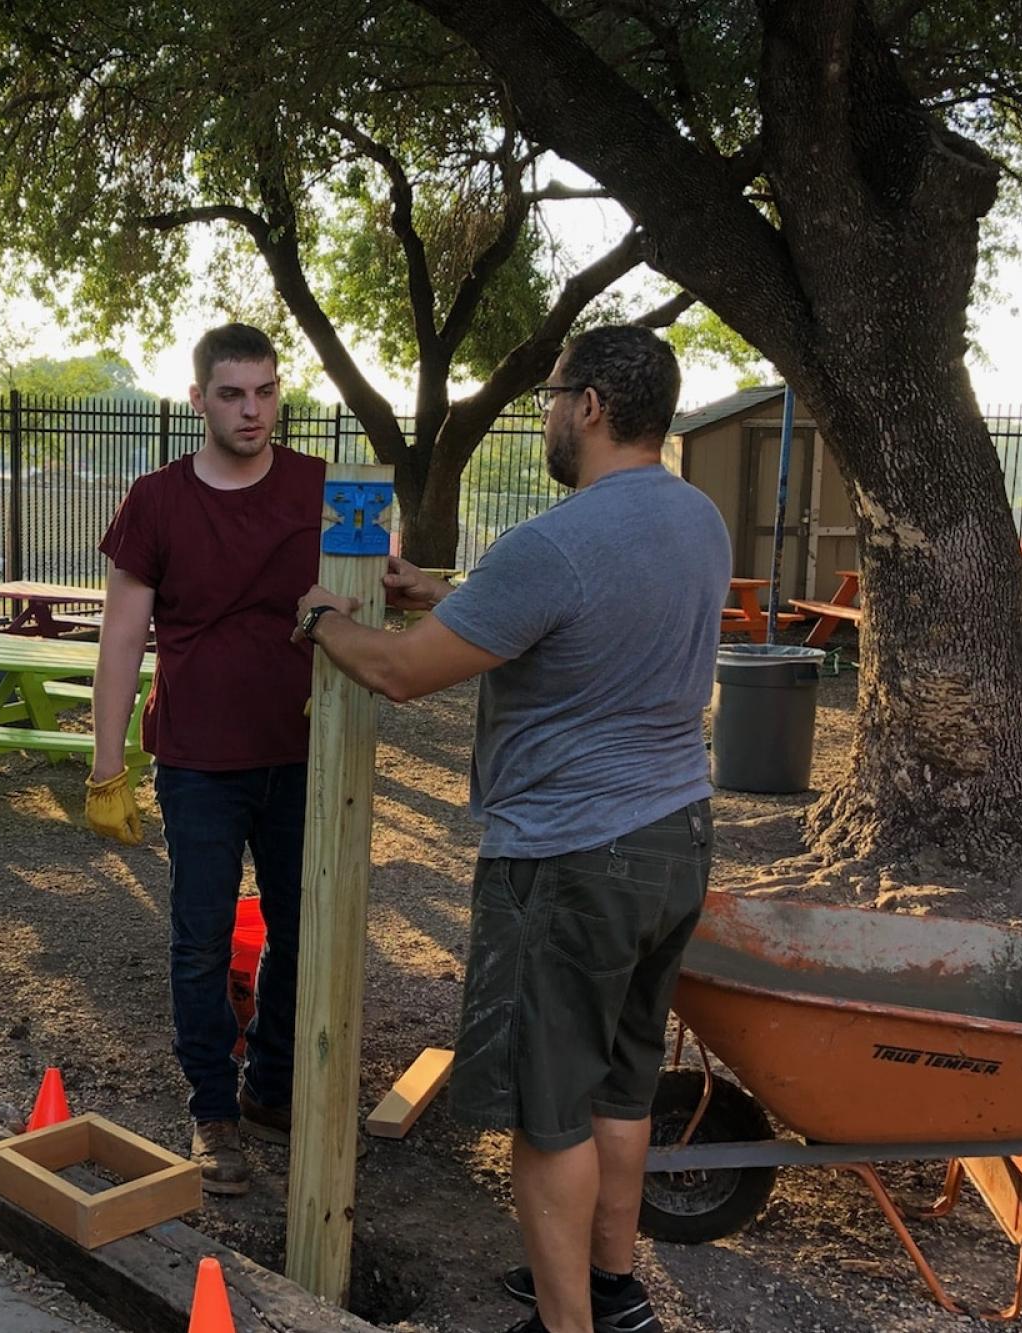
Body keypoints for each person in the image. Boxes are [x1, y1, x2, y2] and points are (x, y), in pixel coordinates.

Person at [291, 326, 729, 1333]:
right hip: (672, 840)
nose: (541, 415)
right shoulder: (694, 519)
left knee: (548, 1108)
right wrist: (444, 593)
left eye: (547, 397)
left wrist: (323, 618)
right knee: (620, 1085)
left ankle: (564, 1327)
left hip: (568, 861)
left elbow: (400, 672)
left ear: (588, 405)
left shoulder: (554, 541)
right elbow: (577, 615)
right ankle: (612, 1292)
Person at [84, 323, 325, 1195]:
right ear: (198, 400)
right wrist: (106, 764)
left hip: (303, 754)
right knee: (201, 940)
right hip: (198, 762)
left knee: (302, 932)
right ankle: (212, 1110)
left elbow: (365, 589)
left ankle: (271, 1085)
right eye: (232, 393)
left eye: (264, 391)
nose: (252, 409)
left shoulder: (319, 488)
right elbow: (121, 638)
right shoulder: (155, 501)